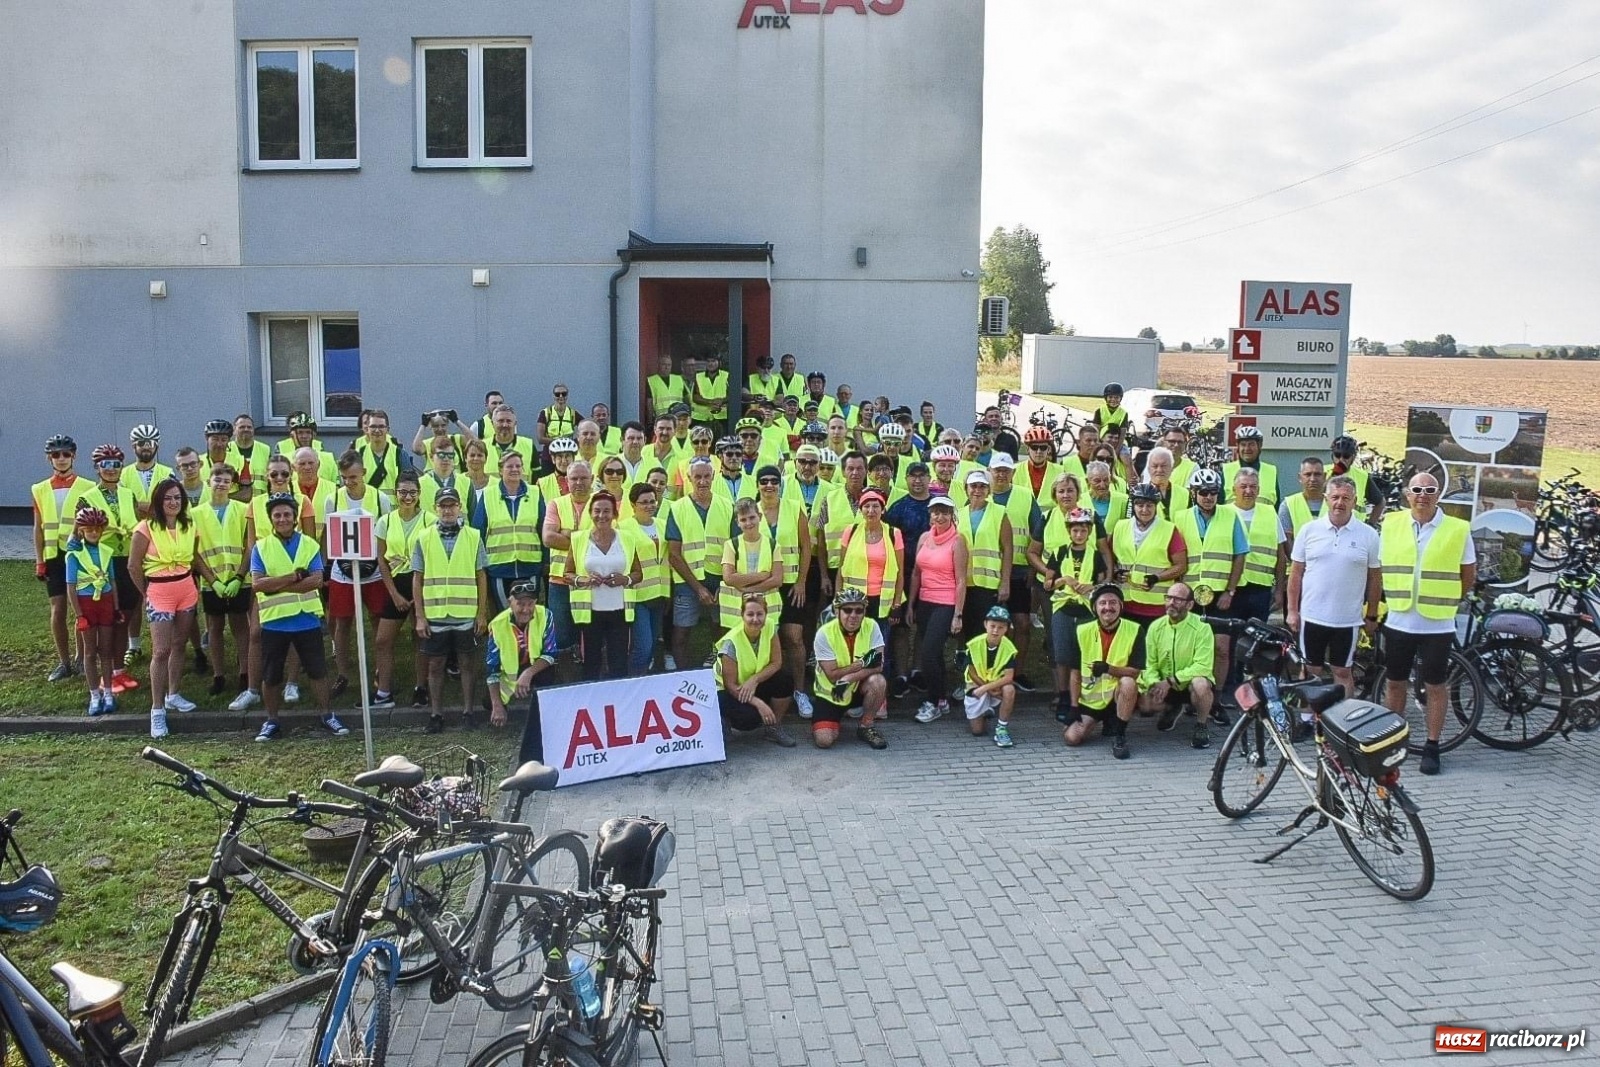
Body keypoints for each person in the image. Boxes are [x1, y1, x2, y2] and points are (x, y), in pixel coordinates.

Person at [1378, 471, 1474, 776]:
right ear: (1407, 493)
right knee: (1395, 682)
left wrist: (1449, 599)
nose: (1422, 495)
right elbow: (1380, 567)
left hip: (1437, 623)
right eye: (1417, 489)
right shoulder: (1391, 523)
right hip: (1399, 618)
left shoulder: (1458, 529)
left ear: (1438, 494)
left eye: (1429, 490)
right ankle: (1393, 741)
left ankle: (1432, 746)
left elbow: (1467, 575)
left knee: (1435, 685)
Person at [250, 493, 348, 742]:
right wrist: (293, 578)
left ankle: (327, 715)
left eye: (287, 515)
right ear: (271, 519)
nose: (282, 519)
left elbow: (316, 580)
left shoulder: (309, 545)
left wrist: (278, 585)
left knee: (318, 672)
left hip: (306, 620)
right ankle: (272, 721)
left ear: (295, 518)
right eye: (277, 515)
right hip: (275, 621)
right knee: (271, 675)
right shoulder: (260, 547)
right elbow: (258, 584)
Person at [1286, 474, 1382, 717]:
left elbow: (1374, 578)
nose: (1340, 502)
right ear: (1326, 498)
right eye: (1335, 497)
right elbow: (1295, 574)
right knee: (1310, 671)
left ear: (1355, 501)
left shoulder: (1369, 535)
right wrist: (1292, 611)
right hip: (1312, 617)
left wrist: (1371, 614)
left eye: (1346, 498)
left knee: (1343, 672)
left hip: (1347, 620)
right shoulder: (1309, 531)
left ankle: (1342, 720)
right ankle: (1307, 718)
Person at [131, 479, 219, 738]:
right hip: (159, 590)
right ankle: (157, 709)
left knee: (180, 644)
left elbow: (193, 557)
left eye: (177, 498)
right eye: (168, 498)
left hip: (185, 589)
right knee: (161, 650)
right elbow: (133, 566)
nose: (173, 502)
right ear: (159, 501)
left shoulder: (189, 525)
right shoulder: (145, 529)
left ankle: (174, 693)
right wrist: (145, 592)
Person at [412, 488, 490, 733]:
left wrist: (481, 613)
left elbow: (481, 576)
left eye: (452, 505)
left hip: (465, 614)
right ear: (436, 508)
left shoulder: (473, 536)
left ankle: (468, 712)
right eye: (443, 506)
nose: (447, 510)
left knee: (468, 664)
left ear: (460, 508)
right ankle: (436, 714)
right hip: (435, 615)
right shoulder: (423, 538)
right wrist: (420, 616)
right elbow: (417, 578)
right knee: (435, 666)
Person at [1036, 507, 1109, 723]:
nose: (1079, 535)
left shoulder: (1095, 555)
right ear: (1069, 531)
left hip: (1086, 611)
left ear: (1089, 532)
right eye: (1075, 531)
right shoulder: (1059, 553)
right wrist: (1064, 580)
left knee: (1082, 656)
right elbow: (1047, 584)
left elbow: (1103, 581)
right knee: (1062, 656)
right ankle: (1064, 697)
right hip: (1063, 609)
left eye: (1083, 531)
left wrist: (1091, 586)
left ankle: (1080, 700)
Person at [80, 444, 141, 692]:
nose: (112, 469)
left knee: (124, 617)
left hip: (127, 559)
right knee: (108, 620)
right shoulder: (87, 497)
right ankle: (106, 672)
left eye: (116, 464)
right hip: (101, 563)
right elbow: (82, 531)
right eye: (106, 464)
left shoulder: (128, 494)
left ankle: (119, 669)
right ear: (97, 468)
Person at [1063, 584, 1145, 759]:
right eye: (1103, 603)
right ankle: (1102, 721)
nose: (1108, 607)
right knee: (1071, 738)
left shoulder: (1135, 629)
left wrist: (1109, 669)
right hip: (1091, 699)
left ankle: (1119, 735)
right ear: (1095, 607)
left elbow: (1135, 672)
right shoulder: (1081, 630)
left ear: (1121, 606)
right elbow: (1075, 673)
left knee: (1129, 683)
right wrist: (1073, 706)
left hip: (1117, 695)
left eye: (1113, 602)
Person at [665, 459, 733, 670]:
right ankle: (685, 676)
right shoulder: (677, 508)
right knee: (681, 633)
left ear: (713, 477)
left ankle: (718, 673)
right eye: (698, 477)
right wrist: (698, 588)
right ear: (689, 478)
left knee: (721, 630)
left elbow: (735, 548)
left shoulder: (727, 506)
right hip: (688, 581)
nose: (702, 481)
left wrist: (726, 584)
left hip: (720, 579)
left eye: (707, 476)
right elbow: (674, 555)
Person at [569, 491, 641, 681]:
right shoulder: (578, 539)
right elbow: (567, 574)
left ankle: (618, 702)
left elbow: (638, 574)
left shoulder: (627, 538)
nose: (602, 516)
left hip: (619, 611)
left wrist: (624, 580)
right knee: (591, 663)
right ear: (590, 513)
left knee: (619, 663)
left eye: (607, 511)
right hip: (590, 612)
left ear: (615, 514)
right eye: (597, 511)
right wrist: (584, 581)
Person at [374, 471, 431, 711]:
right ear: (395, 494)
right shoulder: (385, 521)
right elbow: (381, 560)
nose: (408, 497)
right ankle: (383, 692)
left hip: (423, 583)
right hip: (395, 585)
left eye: (412, 492)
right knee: (383, 640)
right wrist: (395, 595)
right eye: (403, 492)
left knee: (420, 639)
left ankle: (421, 689)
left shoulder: (430, 520)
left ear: (419, 494)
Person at [194, 463, 252, 701]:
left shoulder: (242, 509)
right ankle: (218, 675)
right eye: (217, 480)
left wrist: (239, 576)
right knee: (214, 629)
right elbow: (194, 552)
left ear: (233, 485)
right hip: (212, 582)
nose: (221, 484)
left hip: (240, 579)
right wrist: (212, 580)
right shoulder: (195, 513)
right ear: (209, 482)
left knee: (241, 627)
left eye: (226, 481)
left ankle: (245, 673)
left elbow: (250, 546)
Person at [1138, 582, 1217, 749]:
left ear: (1190, 604)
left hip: (1188, 685)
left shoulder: (1203, 627)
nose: (1171, 603)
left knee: (1201, 684)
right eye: (1168, 598)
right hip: (1165, 683)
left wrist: (1170, 681)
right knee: (1146, 706)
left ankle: (1201, 725)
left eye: (1177, 599)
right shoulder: (1155, 626)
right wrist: (1153, 683)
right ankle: (1172, 707)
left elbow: (1203, 666)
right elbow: (1148, 663)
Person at [910, 496, 968, 724]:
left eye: (945, 512)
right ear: (930, 514)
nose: (940, 517)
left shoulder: (958, 541)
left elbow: (961, 580)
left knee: (927, 652)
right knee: (933, 655)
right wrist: (911, 604)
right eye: (936, 512)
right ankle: (942, 700)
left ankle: (932, 702)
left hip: (946, 603)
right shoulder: (924, 538)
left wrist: (958, 614)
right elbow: (916, 573)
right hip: (925, 601)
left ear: (952, 515)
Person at [486, 580, 558, 763]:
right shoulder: (497, 624)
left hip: (536, 668)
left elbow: (550, 654)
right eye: (520, 604)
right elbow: (492, 669)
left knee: (549, 681)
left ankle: (542, 730)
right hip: (509, 675)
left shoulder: (546, 615)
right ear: (510, 602)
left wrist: (528, 674)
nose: (526, 609)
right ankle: (502, 710)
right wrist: (497, 705)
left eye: (530, 604)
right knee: (488, 702)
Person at [715, 594, 798, 747]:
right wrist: (759, 703)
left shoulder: (770, 627)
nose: (755, 619)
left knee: (784, 680)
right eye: (750, 614)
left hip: (751, 681)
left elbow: (776, 662)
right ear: (742, 615)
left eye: (760, 614)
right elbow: (730, 685)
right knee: (749, 720)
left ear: (766, 614)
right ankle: (722, 720)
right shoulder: (731, 642)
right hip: (726, 691)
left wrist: (754, 680)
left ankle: (773, 728)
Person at [810, 589, 889, 750]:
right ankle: (831, 720)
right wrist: (861, 663)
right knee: (824, 741)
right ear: (837, 610)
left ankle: (866, 726)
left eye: (859, 610)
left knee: (878, 681)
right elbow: (832, 675)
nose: (853, 615)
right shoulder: (824, 633)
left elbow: (878, 664)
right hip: (831, 693)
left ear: (864, 611)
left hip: (856, 687)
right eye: (847, 610)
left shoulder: (872, 626)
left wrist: (849, 678)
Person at [988, 454, 1039, 690]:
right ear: (990, 471)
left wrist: (1031, 567)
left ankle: (1017, 673)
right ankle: (997, 673)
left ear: (1013, 473)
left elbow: (1038, 535)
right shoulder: (980, 494)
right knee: (996, 626)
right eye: (997, 470)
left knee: (1022, 623)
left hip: (1019, 572)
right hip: (988, 572)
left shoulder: (1025, 496)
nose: (1001, 474)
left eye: (1005, 470)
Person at [474, 451, 545, 615]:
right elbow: (478, 532)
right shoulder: (488, 495)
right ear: (500, 470)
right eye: (510, 466)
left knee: (529, 614)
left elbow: (543, 528)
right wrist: (480, 565)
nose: (515, 469)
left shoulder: (535, 493)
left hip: (530, 566)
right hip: (499, 568)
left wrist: (545, 561)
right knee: (504, 616)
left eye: (518, 466)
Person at [64, 507, 120, 716]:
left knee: (106, 651)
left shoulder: (107, 552)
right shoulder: (74, 555)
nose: (94, 533)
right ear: (81, 530)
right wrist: (79, 615)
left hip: (104, 602)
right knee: (89, 651)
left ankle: (108, 692)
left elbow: (112, 581)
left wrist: (115, 608)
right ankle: (94, 694)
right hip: (86, 603)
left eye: (97, 529)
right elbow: (71, 586)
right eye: (89, 529)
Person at [1112, 482, 1188, 625]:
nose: (1144, 510)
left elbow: (1181, 566)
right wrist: (1116, 572)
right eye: (1140, 505)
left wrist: (1157, 578)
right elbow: (1110, 558)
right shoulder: (1120, 526)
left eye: (1149, 506)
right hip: (1125, 603)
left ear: (1156, 506)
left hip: (1157, 607)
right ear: (1133, 506)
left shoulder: (1169, 529)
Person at [1171, 468, 1245, 614]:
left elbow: (1240, 555)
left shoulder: (1231, 516)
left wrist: (1230, 591)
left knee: (1221, 636)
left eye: (1213, 492)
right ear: (1193, 492)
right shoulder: (1179, 518)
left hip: (1220, 592)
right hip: (1189, 592)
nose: (1209, 497)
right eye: (1203, 492)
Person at [954, 469, 1011, 656]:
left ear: (989, 490)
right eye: (973, 486)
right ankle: (967, 677)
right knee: (965, 633)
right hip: (963, 585)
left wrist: (1005, 582)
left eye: (982, 486)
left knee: (984, 635)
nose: (977, 490)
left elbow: (1007, 549)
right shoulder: (958, 514)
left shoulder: (999, 512)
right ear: (966, 489)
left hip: (988, 585)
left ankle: (985, 678)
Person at [541, 458, 594, 655]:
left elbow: (607, 540)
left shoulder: (602, 502)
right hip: (560, 581)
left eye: (583, 478)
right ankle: (565, 679)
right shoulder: (555, 504)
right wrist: (586, 539)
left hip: (593, 580)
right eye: (574, 478)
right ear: (567, 481)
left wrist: (565, 533)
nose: (579, 483)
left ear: (592, 479)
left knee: (591, 634)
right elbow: (548, 538)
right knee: (561, 635)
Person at [621, 482, 670, 674]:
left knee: (652, 645)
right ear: (633, 504)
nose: (650, 505)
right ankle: (633, 681)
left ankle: (644, 681)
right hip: (637, 595)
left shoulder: (663, 525)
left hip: (659, 593)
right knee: (643, 646)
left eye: (653, 501)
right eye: (644, 502)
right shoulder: (624, 528)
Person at [1229, 466, 1285, 625]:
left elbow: (1280, 556)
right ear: (1234, 490)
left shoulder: (1270, 513)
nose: (1248, 491)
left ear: (1259, 490)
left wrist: (1279, 590)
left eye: (1253, 487)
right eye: (1243, 486)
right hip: (1231, 587)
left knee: (1256, 640)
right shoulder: (1223, 513)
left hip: (1261, 589)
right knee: (1230, 639)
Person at [964, 605, 1019, 746]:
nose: (995, 630)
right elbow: (971, 671)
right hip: (978, 684)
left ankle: (1002, 728)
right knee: (977, 731)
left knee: (1010, 689)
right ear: (985, 625)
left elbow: (1008, 677)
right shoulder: (973, 644)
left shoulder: (1010, 649)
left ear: (1006, 629)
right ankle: (985, 712)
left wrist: (987, 689)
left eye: (1001, 627)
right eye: (992, 626)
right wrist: (987, 689)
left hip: (997, 685)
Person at [1330, 434, 1386, 524]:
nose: (1341, 460)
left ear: (1353, 457)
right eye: (1337, 455)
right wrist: (1333, 475)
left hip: (1354, 530)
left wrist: (1370, 525)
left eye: (1346, 456)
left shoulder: (1362, 476)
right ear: (1332, 455)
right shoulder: (1323, 473)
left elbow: (1380, 503)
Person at [1279, 456, 1327, 552]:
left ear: (1324, 477)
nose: (1312, 479)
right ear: (1300, 477)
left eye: (1317, 474)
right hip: (1298, 565)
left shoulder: (1335, 503)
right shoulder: (1288, 504)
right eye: (1308, 474)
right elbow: (1286, 541)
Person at [1222, 425, 1279, 506]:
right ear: (1238, 447)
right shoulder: (1226, 470)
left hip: (1263, 518)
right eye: (1243, 444)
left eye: (1251, 444)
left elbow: (1277, 507)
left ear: (1259, 446)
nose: (1247, 448)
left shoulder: (1271, 471)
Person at [353, 409, 408, 492]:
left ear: (387, 429)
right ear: (367, 429)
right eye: (373, 426)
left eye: (381, 426)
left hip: (392, 505)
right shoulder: (358, 454)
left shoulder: (399, 454)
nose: (377, 430)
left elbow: (409, 485)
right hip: (366, 505)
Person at [226, 415, 272, 500]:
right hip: (235, 503)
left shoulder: (265, 449)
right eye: (242, 427)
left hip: (260, 503)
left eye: (249, 427)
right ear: (234, 430)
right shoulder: (226, 449)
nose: (246, 429)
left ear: (253, 430)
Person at [1138, 447, 1188, 520]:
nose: (1159, 470)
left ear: (1171, 468)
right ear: (1148, 469)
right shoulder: (1138, 494)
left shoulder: (1185, 494)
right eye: (1155, 466)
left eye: (1164, 466)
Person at [486, 405, 538, 473]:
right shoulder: (483, 447)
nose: (505, 425)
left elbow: (537, 479)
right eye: (500, 421)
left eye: (508, 421)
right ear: (492, 423)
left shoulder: (529, 446)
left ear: (515, 423)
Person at [646, 355, 689, 423]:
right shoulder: (651, 380)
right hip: (661, 418)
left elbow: (687, 399)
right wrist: (650, 421)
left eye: (669, 365)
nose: (666, 367)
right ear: (658, 365)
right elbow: (649, 403)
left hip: (678, 418)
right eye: (664, 364)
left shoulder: (678, 379)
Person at [692, 355, 729, 430]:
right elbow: (695, 396)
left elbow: (733, 394)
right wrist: (710, 402)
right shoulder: (698, 376)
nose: (710, 364)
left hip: (722, 417)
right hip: (701, 418)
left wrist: (722, 401)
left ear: (719, 363)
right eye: (708, 361)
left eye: (713, 361)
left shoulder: (727, 375)